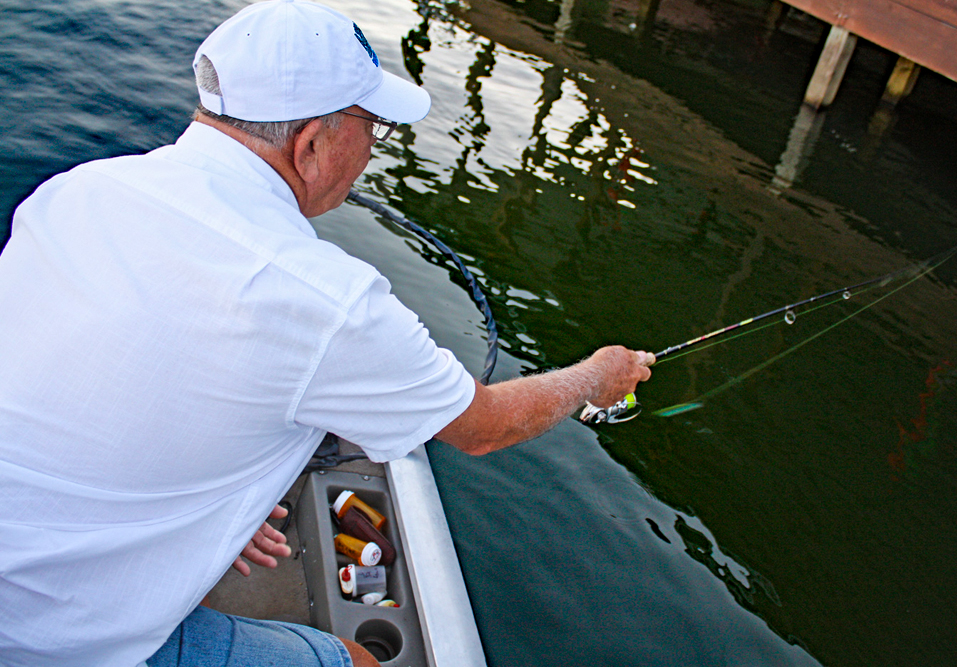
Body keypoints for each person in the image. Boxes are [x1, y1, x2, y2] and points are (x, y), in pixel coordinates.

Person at [0, 1, 653, 665]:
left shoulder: (79, 190)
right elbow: (483, 427)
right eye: (372, 128)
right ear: (311, 143)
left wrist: (215, 506)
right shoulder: (325, 299)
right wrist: (597, 375)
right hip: (49, 637)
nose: (373, 150)